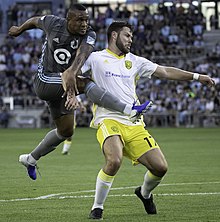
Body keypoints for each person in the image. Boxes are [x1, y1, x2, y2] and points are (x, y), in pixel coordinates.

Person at [73, 21, 215, 220]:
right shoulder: (95, 58)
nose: (131, 39)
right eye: (127, 35)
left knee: (160, 168)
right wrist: (74, 96)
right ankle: (97, 208)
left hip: (134, 123)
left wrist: (197, 76)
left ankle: (144, 193)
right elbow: (74, 75)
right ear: (114, 36)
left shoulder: (135, 61)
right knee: (114, 160)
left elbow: (165, 71)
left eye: (131, 36)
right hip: (109, 119)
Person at [8, 4, 151, 180]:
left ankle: (30, 159)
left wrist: (71, 79)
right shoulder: (53, 23)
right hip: (45, 80)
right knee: (86, 83)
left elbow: (82, 55)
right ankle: (129, 110)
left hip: (65, 81)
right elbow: (35, 21)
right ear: (69, 20)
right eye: (80, 20)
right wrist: (19, 29)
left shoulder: (89, 34)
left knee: (66, 131)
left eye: (86, 20)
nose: (84, 24)